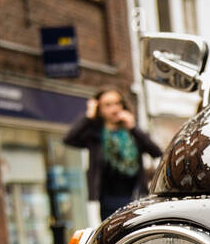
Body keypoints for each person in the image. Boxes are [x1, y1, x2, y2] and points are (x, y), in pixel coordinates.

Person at [64, 89, 164, 222]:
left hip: (136, 196)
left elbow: (156, 152)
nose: (115, 108)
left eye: (118, 103)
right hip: (107, 199)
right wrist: (88, 117)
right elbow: (70, 139)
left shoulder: (132, 131)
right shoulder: (95, 135)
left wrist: (134, 128)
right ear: (99, 109)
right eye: (108, 105)